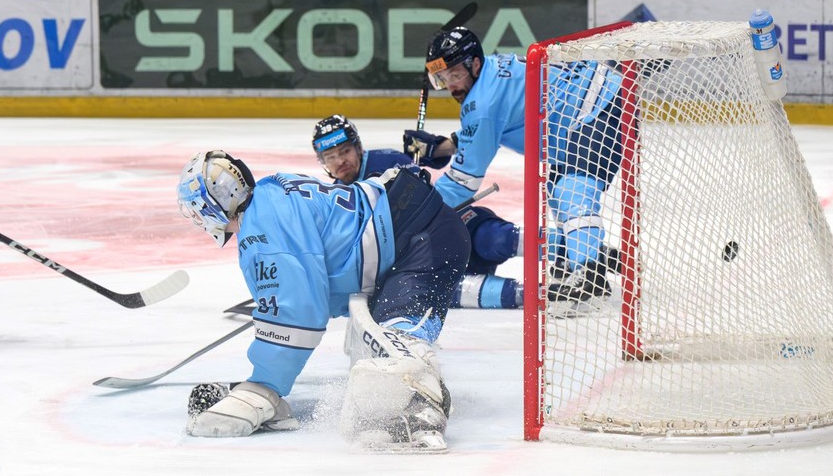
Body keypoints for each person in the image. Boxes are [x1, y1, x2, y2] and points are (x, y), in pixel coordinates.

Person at [177, 149, 470, 451]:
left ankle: (421, 405)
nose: (199, 219)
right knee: (373, 345)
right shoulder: (271, 193)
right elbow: (320, 275)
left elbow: (297, 313)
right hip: (410, 231)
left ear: (213, 204)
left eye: (197, 210)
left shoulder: (263, 228)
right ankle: (408, 386)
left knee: (397, 339)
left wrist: (262, 387)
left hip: (422, 240)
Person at [402, 26, 623, 304]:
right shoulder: (490, 73)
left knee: (572, 189)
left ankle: (590, 272)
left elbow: (463, 181)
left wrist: (417, 213)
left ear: (475, 64)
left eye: (455, 75)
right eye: (443, 78)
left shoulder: (482, 104)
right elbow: (495, 125)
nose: (451, 86)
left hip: (599, 107)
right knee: (558, 188)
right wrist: (442, 146)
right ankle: (582, 253)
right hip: (591, 104)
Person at [311, 115, 522, 309]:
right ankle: (533, 293)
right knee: (441, 289)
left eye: (345, 151)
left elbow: (432, 200)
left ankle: (554, 249)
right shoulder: (336, 199)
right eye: (330, 156)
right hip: (425, 257)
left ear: (358, 148)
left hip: (452, 229)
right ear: (322, 161)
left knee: (495, 239)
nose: (340, 162)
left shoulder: (386, 163)